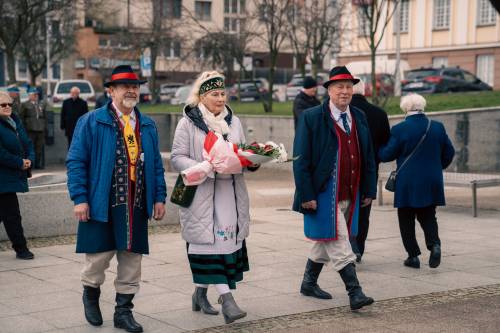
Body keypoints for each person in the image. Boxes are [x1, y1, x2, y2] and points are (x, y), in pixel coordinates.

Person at [66, 65, 167, 332]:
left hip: (136, 202)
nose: (132, 90)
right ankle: (90, 295)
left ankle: (123, 312)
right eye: (125, 86)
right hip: (101, 200)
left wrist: (159, 197)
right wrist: (80, 198)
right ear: (111, 91)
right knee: (97, 259)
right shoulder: (91, 121)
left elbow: (155, 164)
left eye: (135, 86)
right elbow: (76, 162)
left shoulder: (146, 124)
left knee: (132, 259)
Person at [171, 71, 258, 324]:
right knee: (207, 246)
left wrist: (252, 161)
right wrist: (206, 165)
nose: (220, 99)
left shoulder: (234, 121)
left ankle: (199, 294)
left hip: (229, 195)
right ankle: (227, 301)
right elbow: (177, 157)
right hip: (201, 194)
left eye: (222, 93)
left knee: (223, 246)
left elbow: (240, 152)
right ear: (202, 96)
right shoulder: (188, 122)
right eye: (214, 94)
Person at [293, 66, 376, 310]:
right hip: (322, 193)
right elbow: (301, 160)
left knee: (325, 240)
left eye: (349, 86)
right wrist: (306, 195)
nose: (345, 91)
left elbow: (368, 155)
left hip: (351, 192)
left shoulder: (359, 116)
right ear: (329, 90)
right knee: (340, 240)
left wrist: (369, 190)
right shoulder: (312, 117)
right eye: (339, 86)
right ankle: (355, 292)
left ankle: (309, 282)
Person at [379, 93, 454, 269]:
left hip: (407, 181)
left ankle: (413, 256)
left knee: (406, 217)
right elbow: (449, 153)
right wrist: (436, 167)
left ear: (405, 108)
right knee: (428, 214)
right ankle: (434, 245)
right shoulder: (437, 127)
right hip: (431, 180)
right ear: (422, 107)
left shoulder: (400, 129)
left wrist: (377, 149)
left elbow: (387, 154)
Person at [349, 79, 391, 262]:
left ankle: (345, 248)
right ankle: (358, 248)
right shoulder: (379, 113)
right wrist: (376, 158)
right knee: (364, 211)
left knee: (345, 208)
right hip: (370, 170)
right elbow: (386, 142)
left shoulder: (344, 112)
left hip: (347, 169)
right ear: (365, 90)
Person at [0, 91, 35, 260]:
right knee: (12, 214)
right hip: (3, 177)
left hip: (11, 175)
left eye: (9, 104)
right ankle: (21, 249)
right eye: (3, 105)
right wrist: (19, 162)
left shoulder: (14, 121)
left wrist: (29, 159)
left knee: (7, 214)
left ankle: (21, 248)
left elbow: (27, 143)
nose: (7, 107)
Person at [20, 88, 46, 169]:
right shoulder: (25, 104)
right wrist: (24, 128)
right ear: (30, 95)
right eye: (34, 94)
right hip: (30, 129)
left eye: (37, 94)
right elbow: (21, 117)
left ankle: (37, 164)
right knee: (31, 147)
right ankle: (31, 164)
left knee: (39, 147)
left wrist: (45, 126)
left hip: (40, 129)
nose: (36, 96)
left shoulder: (40, 104)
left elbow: (44, 116)